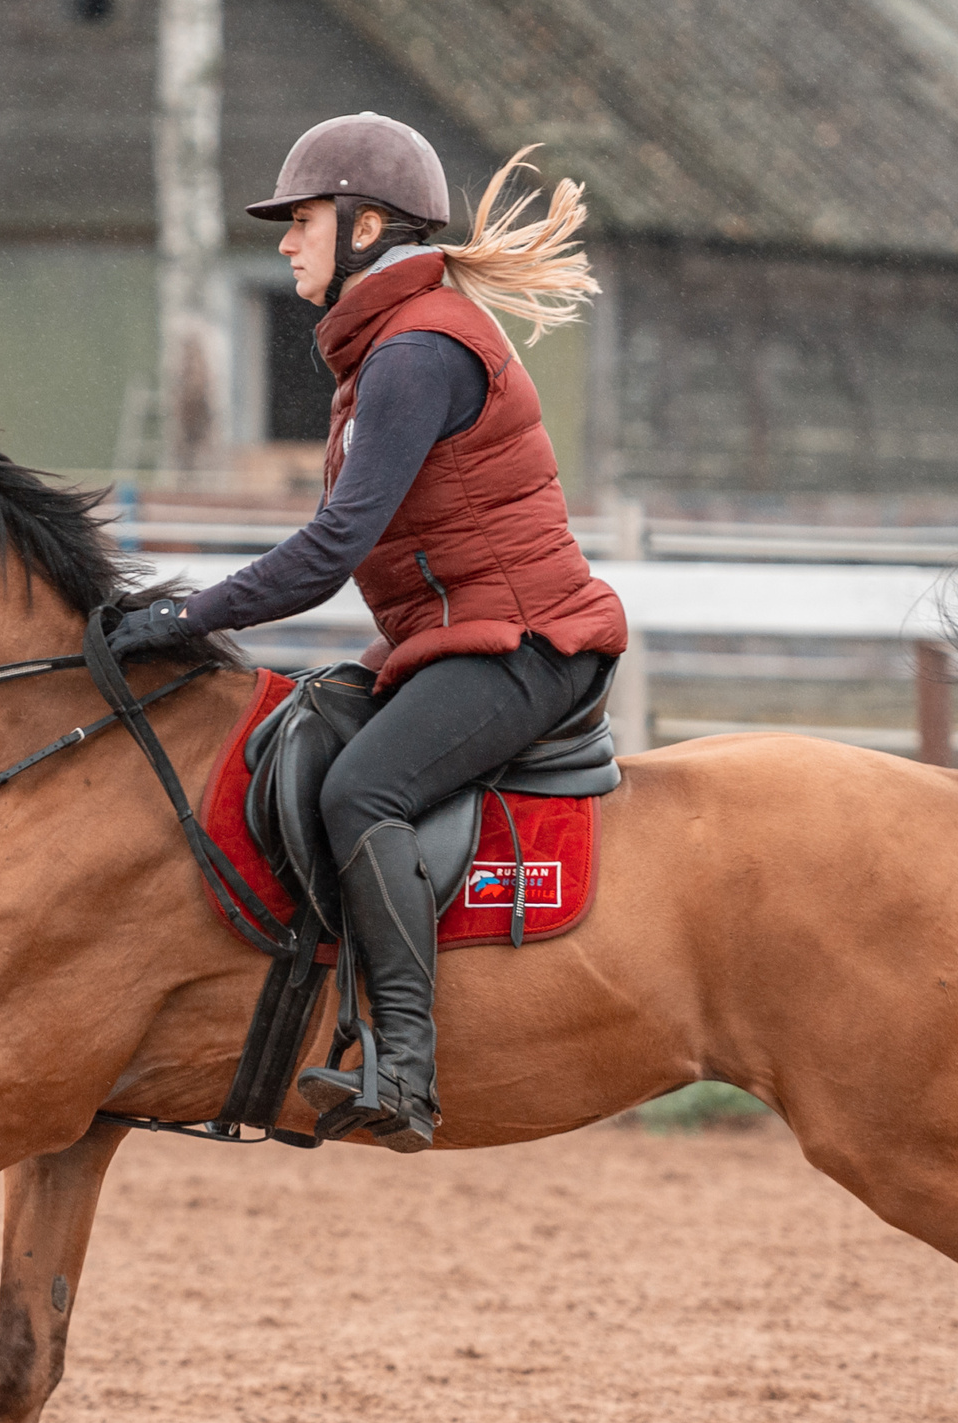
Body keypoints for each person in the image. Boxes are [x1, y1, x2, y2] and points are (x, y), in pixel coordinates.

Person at [110, 112, 628, 1153]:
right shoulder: (388, 349)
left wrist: (183, 617)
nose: (286, 242)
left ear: (364, 227)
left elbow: (332, 548)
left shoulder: (418, 352)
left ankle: (404, 1069)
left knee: (362, 789)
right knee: (306, 739)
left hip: (526, 645)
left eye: (300, 220)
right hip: (466, 640)